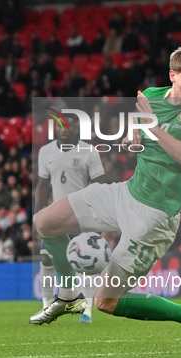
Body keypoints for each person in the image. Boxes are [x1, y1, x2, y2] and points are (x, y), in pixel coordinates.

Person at [30, 47, 181, 358]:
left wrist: (153, 128)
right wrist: (134, 136)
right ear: (173, 76)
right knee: (45, 222)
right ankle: (68, 294)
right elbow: (138, 127)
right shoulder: (152, 96)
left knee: (106, 301)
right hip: (126, 193)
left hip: (155, 217)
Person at [35, 118, 105, 324]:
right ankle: (47, 305)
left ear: (77, 129)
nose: (64, 130)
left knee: (86, 263)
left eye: (69, 126)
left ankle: (87, 311)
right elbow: (42, 185)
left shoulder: (90, 152)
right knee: (47, 259)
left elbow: (98, 184)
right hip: (56, 216)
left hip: (82, 216)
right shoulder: (45, 152)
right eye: (60, 126)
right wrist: (39, 215)